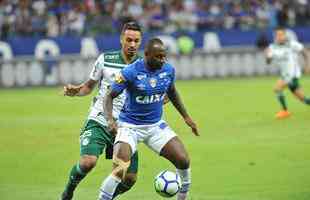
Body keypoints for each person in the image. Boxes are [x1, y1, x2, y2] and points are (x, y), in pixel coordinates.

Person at [98, 38, 199, 200]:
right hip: (129, 127)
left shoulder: (168, 70)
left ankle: (183, 197)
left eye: (164, 56)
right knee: (120, 170)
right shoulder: (130, 72)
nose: (162, 60)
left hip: (155, 126)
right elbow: (109, 96)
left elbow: (172, 92)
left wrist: (186, 117)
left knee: (183, 160)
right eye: (158, 57)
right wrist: (110, 120)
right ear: (146, 55)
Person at [60, 21, 143, 200]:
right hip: (100, 118)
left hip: (126, 126)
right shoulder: (105, 59)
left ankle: (107, 197)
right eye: (129, 40)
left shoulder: (144, 66)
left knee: (129, 178)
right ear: (122, 39)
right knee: (88, 162)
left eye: (136, 41)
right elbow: (88, 87)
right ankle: (69, 190)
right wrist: (77, 91)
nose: (132, 45)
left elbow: (157, 94)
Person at [265, 26, 310, 119]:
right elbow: (268, 62)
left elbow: (305, 52)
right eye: (277, 35)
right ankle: (285, 111)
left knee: (277, 88)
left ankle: (285, 111)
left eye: (281, 34)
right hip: (284, 75)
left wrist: (307, 65)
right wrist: (267, 57)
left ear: (285, 35)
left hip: (293, 75)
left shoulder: (292, 44)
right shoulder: (272, 47)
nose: (279, 36)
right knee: (303, 99)